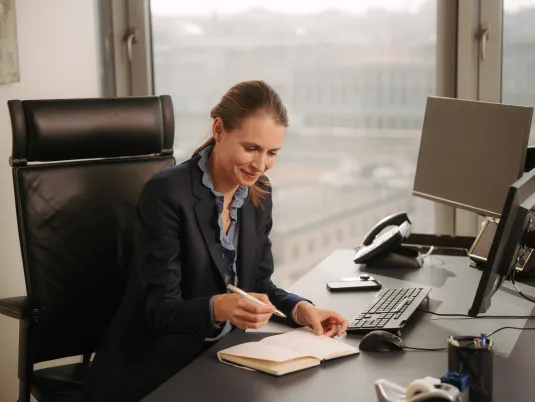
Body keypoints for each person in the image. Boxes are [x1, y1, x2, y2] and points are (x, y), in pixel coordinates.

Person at [84, 80, 349, 402]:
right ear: (219, 129)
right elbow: (160, 310)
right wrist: (220, 307)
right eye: (251, 148)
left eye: (272, 152)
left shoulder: (258, 192)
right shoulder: (167, 193)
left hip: (223, 356)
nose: (261, 164)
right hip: (154, 364)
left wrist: (301, 309)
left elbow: (259, 284)